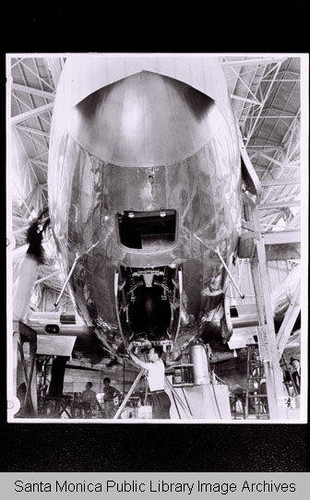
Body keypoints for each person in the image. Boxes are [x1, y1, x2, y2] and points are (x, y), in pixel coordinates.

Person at [128, 344, 171, 419]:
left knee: (158, 421)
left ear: (155, 355)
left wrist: (130, 352)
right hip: (162, 397)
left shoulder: (153, 366)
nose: (148, 354)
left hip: (158, 398)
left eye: (150, 353)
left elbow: (138, 362)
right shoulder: (160, 363)